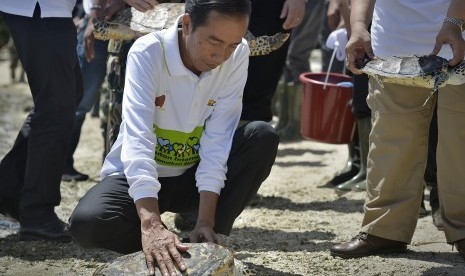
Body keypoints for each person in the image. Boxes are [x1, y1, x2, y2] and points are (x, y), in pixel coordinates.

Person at [67, 1, 279, 275]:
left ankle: (210, 239)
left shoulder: (237, 56)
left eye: (232, 45)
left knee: (261, 136)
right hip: (139, 178)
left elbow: (218, 140)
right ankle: (174, 248)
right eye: (213, 41)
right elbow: (138, 138)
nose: (221, 56)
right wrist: (151, 224)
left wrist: (206, 219)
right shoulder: (148, 53)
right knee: (87, 223)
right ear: (187, 24)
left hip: (191, 175)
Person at [330, 0, 465, 261]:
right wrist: (358, 25)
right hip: (394, 43)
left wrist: (454, 21)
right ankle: (384, 229)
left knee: (460, 141)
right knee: (390, 141)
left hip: (460, 37)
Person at [0, 1, 83, 242]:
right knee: (56, 108)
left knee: (65, 98)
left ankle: (9, 188)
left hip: (47, 9)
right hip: (42, 8)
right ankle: (37, 212)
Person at [62, 0, 110, 181]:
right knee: (78, 104)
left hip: (128, 22)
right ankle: (61, 163)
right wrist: (92, 16)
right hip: (97, 23)